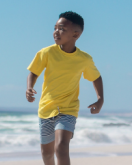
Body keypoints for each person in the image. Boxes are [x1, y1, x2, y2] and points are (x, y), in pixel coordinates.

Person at [26, 11, 104, 165]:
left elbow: (96, 77)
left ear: (76, 35)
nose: (56, 32)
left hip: (69, 109)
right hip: (46, 108)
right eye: (55, 27)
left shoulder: (84, 59)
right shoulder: (46, 53)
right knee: (47, 154)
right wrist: (29, 87)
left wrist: (100, 99)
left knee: (61, 147)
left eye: (62, 29)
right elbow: (33, 72)